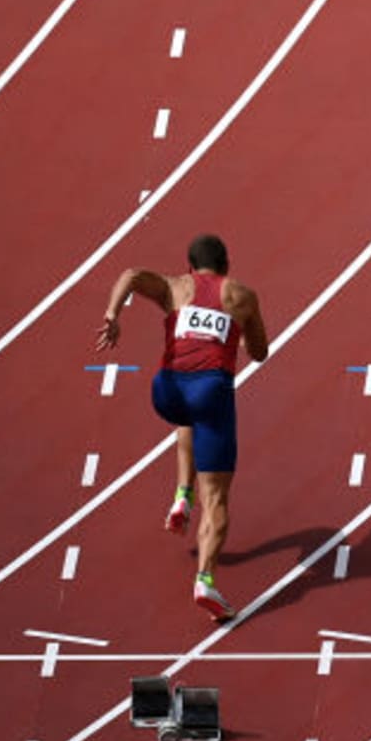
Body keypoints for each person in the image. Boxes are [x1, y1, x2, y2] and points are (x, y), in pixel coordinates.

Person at [97, 233, 271, 620]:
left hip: (166, 390)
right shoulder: (241, 295)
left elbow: (130, 274)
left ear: (190, 265)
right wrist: (238, 335)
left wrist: (113, 315)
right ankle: (205, 578)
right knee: (218, 498)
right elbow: (260, 353)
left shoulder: (175, 286)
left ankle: (181, 494)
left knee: (189, 416)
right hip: (211, 390)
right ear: (226, 264)